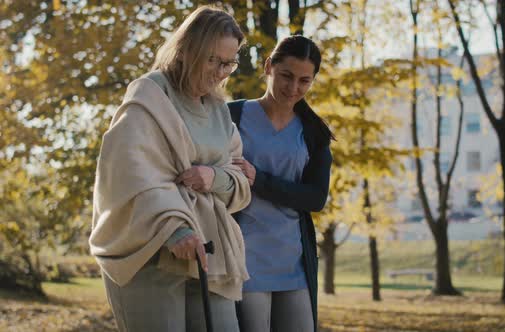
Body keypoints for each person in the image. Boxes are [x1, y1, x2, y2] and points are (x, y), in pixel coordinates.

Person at [89, 6, 251, 332]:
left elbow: (240, 177)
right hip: (151, 251)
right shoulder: (150, 94)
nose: (221, 72)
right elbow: (128, 171)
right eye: (213, 60)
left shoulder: (220, 111)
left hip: (210, 252)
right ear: (188, 49)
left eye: (228, 63)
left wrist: (214, 177)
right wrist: (175, 228)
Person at [229, 35, 334, 332]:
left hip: (294, 261)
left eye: (304, 81)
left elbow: (315, 199)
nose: (293, 88)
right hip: (244, 257)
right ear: (268, 67)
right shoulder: (232, 116)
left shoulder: (314, 132)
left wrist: (259, 180)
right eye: (286, 76)